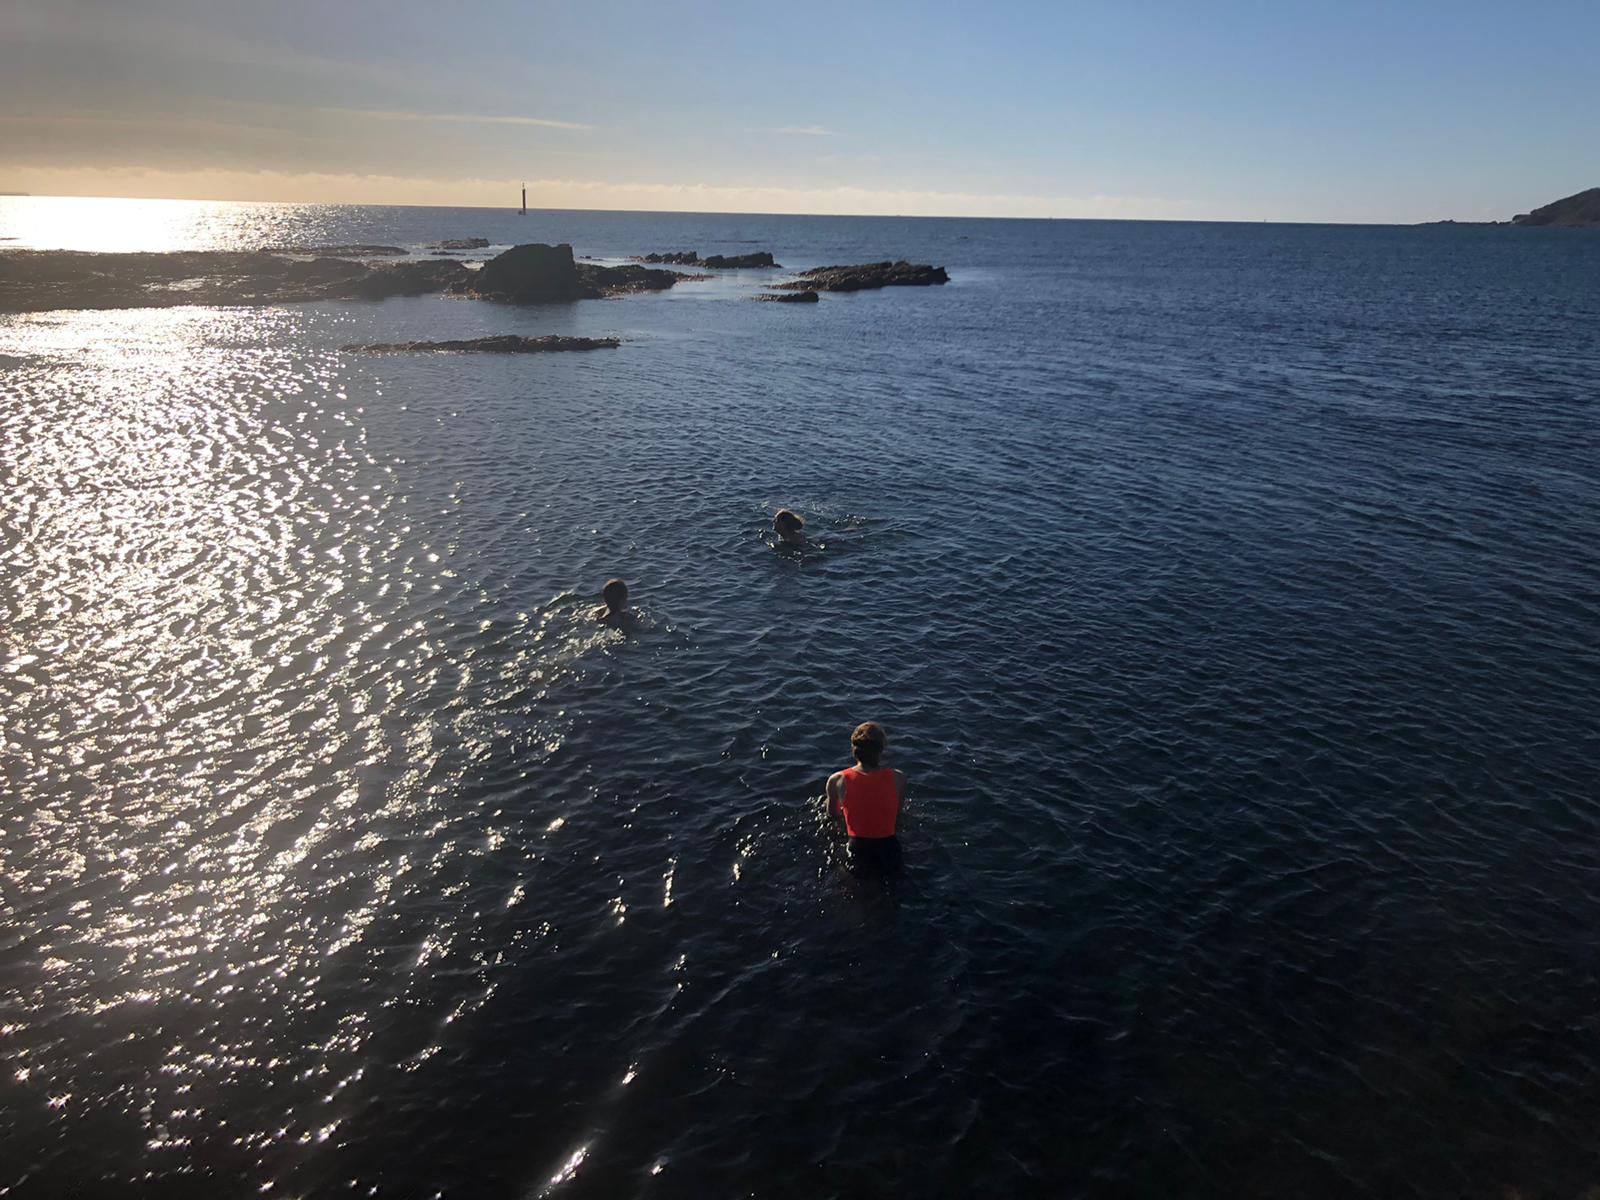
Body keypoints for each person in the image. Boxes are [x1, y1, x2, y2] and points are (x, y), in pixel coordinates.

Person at [825, 721, 905, 872]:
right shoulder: (898, 778)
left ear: (853, 750)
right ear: (882, 749)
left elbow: (832, 814)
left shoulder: (837, 780)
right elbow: (897, 813)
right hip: (889, 847)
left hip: (858, 847)